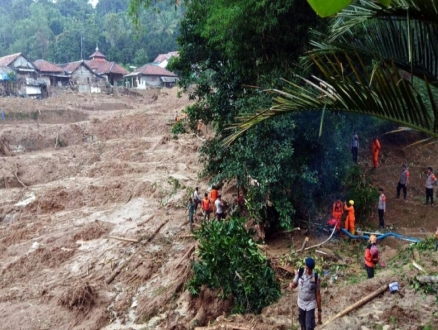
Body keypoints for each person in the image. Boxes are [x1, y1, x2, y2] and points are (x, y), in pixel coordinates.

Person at [289, 257, 322, 329]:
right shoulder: (300, 272)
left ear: (312, 269)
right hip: (301, 303)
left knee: (309, 327)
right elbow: (295, 284)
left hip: (310, 304)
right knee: (302, 325)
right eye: (307, 268)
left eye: (310, 269)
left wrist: (319, 310)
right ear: (305, 266)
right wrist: (292, 285)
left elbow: (318, 294)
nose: (308, 271)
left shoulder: (316, 277)